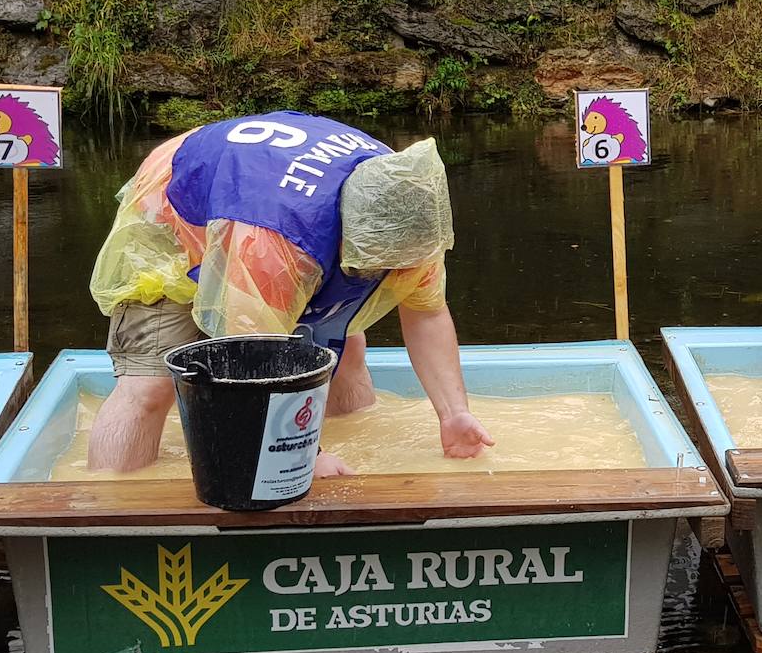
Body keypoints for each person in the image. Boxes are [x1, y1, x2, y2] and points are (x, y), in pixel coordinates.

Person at [87, 111, 494, 475]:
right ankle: (105, 505)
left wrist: (453, 414)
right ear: (345, 235)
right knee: (150, 387)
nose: (395, 277)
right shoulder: (273, 243)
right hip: (177, 206)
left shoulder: (409, 208)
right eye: (375, 268)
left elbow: (426, 314)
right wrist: (307, 457)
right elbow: (250, 356)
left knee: (346, 351)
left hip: (278, 194)